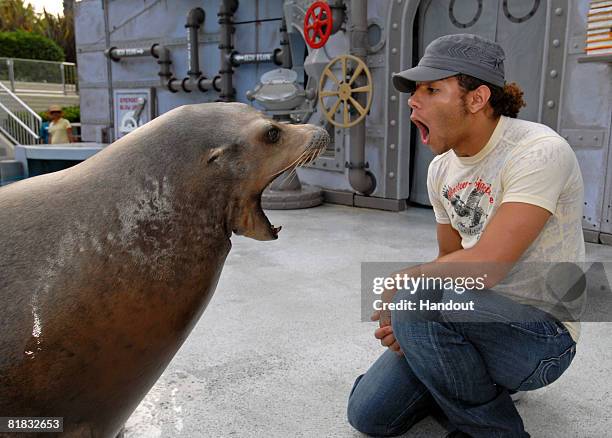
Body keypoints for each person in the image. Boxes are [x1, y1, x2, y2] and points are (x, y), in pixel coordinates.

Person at [347, 34, 584, 438]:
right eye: (415, 91)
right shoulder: (441, 169)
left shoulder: (540, 150)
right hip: (477, 318)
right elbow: (449, 263)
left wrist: (406, 293)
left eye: (432, 89)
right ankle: (472, 381)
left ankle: (492, 429)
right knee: (368, 415)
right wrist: (409, 324)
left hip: (544, 333)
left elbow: (486, 267)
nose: (412, 101)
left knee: (418, 297)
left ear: (476, 99)